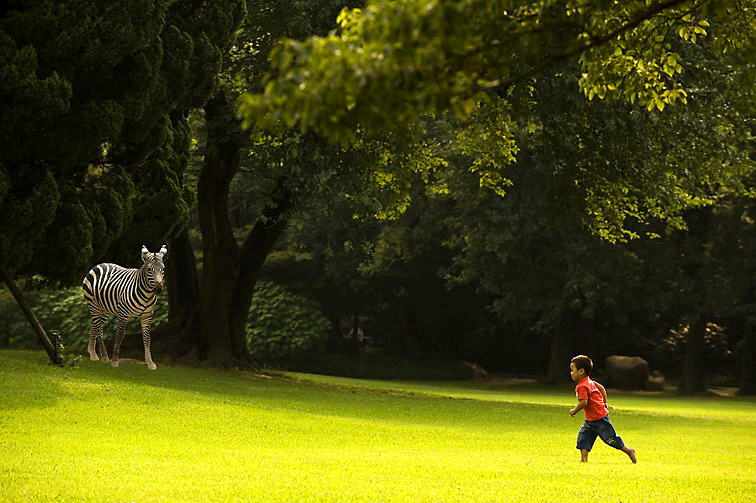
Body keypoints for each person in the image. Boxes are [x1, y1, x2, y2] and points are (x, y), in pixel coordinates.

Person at [569, 355, 637, 463]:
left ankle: (629, 450)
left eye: (572, 370)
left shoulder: (582, 386)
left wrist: (574, 410)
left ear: (581, 371)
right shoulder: (588, 381)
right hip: (590, 420)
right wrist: (604, 402)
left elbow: (584, 402)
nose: (571, 373)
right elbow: (601, 388)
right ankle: (583, 460)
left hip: (599, 419)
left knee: (610, 439)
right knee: (584, 437)